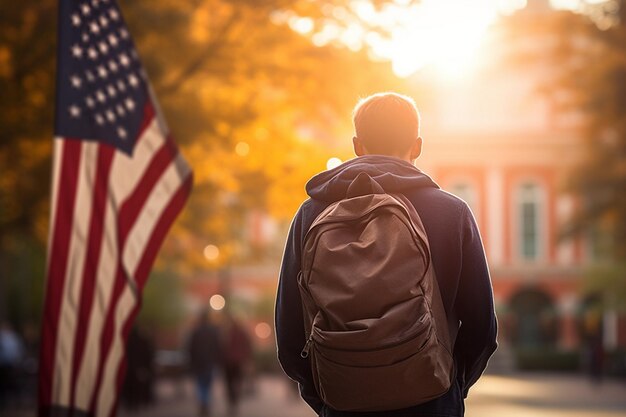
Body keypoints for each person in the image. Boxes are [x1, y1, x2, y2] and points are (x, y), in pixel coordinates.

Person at [275, 92, 498, 417]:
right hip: (431, 404)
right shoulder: (452, 213)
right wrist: (449, 390)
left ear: (357, 145)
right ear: (417, 145)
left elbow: (289, 332)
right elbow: (482, 329)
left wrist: (326, 400)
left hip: (344, 404)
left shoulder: (312, 214)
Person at [187, 308, 222, 417]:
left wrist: (191, 362)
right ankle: (205, 402)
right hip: (210, 363)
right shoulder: (213, 332)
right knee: (207, 384)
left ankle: (203, 402)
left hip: (198, 363)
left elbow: (190, 348)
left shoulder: (195, 332)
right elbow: (218, 347)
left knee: (200, 384)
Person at [221, 314, 252, 416]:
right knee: (237, 381)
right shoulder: (241, 332)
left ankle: (232, 399)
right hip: (237, 361)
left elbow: (222, 347)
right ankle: (234, 399)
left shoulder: (226, 333)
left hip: (229, 361)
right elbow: (248, 346)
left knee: (230, 382)